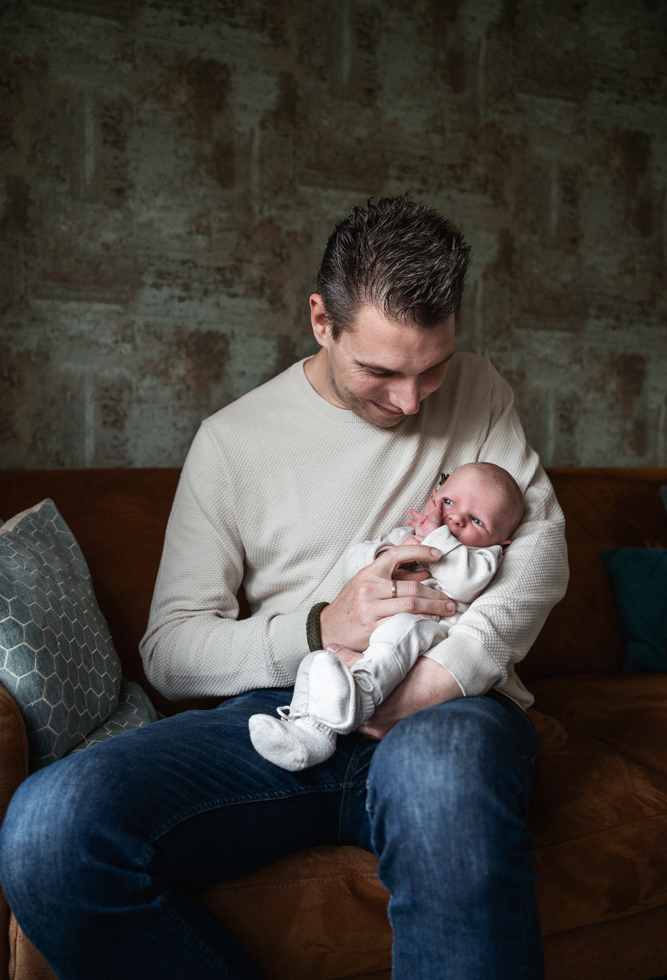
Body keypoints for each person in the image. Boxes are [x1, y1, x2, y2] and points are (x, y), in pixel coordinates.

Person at [0, 197, 568, 980]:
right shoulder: (231, 443)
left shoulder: (478, 389)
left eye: (429, 366)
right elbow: (169, 651)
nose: (410, 402)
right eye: (380, 370)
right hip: (290, 711)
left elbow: (539, 552)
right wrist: (318, 629)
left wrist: (430, 685)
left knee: (440, 773)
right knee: (47, 829)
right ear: (320, 321)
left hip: (450, 713)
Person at [248, 462, 525, 771]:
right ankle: (309, 733)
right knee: (319, 662)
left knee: (404, 627)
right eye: (448, 503)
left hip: (426, 635)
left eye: (476, 520)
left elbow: (463, 584)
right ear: (434, 498)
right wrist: (386, 556)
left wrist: (435, 539)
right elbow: (355, 566)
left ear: (500, 541)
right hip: (368, 646)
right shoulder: (405, 534)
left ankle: (362, 699)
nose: (456, 518)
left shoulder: (482, 557)